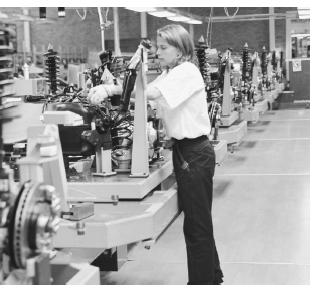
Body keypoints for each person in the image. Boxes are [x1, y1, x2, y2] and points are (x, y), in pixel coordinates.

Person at [87, 24, 224, 285]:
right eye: (157, 47)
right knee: (197, 221)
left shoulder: (186, 71)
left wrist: (111, 90)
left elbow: (150, 93)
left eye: (163, 47)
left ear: (180, 49)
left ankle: (203, 281)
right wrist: (115, 86)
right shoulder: (170, 72)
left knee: (197, 225)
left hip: (194, 153)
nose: (158, 52)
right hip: (186, 152)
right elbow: (146, 92)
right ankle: (212, 276)